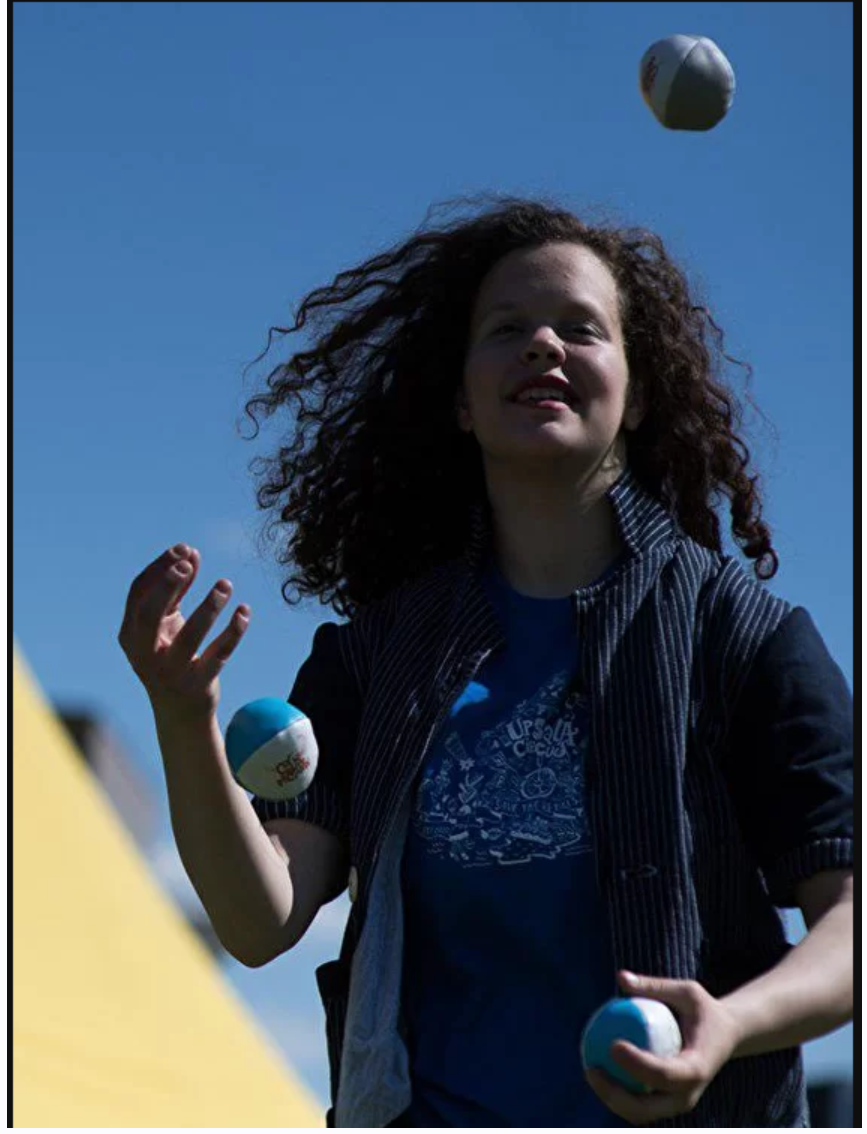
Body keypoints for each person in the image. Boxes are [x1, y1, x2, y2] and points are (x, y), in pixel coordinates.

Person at [118, 196, 853, 1128]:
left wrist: (730, 1024)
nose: (543, 345)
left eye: (580, 329)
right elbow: (258, 923)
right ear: (461, 404)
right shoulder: (372, 655)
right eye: (507, 328)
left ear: (638, 394)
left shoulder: (743, 636)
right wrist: (183, 718)